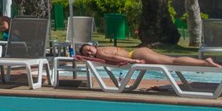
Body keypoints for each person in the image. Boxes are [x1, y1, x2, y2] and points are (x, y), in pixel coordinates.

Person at [75, 42, 213, 68]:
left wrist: (133, 62)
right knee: (172, 60)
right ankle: (202, 62)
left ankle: (204, 62)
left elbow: (115, 58)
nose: (89, 52)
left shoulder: (100, 52)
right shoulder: (102, 49)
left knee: (173, 61)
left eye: (88, 48)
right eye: (87, 53)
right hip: (138, 52)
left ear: (92, 46)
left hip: (136, 55)